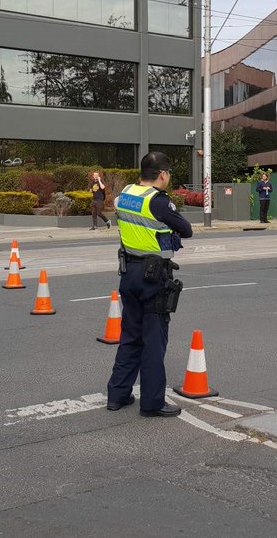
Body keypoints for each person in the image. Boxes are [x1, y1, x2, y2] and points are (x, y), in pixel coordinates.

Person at [107, 151, 193, 418]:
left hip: (128, 273)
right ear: (163, 175)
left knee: (130, 336)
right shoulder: (158, 202)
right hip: (153, 277)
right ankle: (152, 403)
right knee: (154, 342)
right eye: (169, 175)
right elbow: (186, 229)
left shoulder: (124, 195)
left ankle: (117, 395)